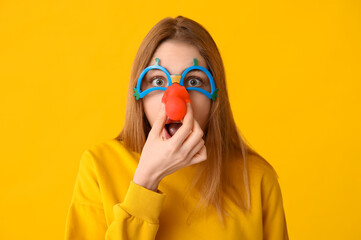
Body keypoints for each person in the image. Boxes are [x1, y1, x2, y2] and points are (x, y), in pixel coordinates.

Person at [65, 16, 289, 240]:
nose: (175, 100)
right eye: (157, 81)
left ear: (215, 96)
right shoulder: (98, 166)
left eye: (194, 81)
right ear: (138, 95)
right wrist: (146, 181)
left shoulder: (257, 178)